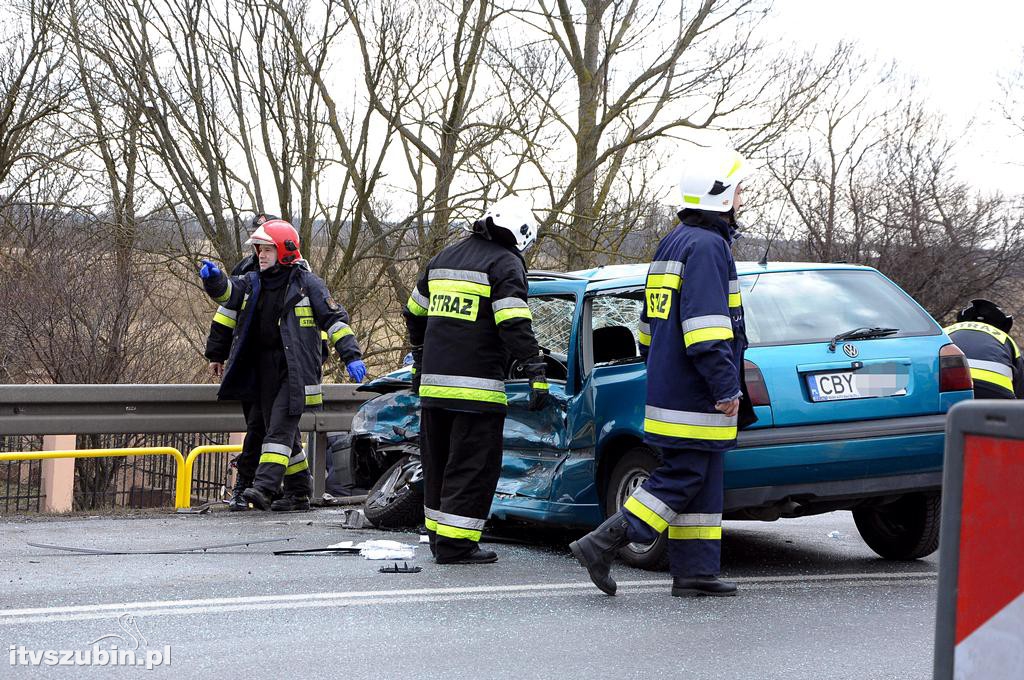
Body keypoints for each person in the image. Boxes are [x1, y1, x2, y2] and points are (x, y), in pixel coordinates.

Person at [570, 149, 753, 597]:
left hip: (671, 385)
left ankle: (695, 572)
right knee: (684, 475)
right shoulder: (709, 247)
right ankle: (603, 541)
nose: (744, 198)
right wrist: (726, 386)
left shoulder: (674, 242)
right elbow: (707, 331)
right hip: (697, 392)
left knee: (703, 477)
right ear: (722, 195)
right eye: (740, 190)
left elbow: (649, 329)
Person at [403, 196, 549, 564]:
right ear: (521, 236)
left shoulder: (444, 257)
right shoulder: (505, 263)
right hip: (477, 389)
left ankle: (439, 538)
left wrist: (420, 357)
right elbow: (513, 322)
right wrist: (534, 367)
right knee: (472, 466)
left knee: (438, 463)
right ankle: (457, 545)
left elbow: (413, 311)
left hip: (434, 387)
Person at [199, 218, 367, 511]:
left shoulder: (308, 285)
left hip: (295, 372)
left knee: (277, 430)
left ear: (284, 251)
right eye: (258, 249)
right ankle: (299, 491)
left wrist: (351, 355)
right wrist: (214, 280)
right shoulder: (253, 280)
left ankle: (263, 488)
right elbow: (229, 294)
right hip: (261, 372)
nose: (260, 255)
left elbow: (335, 321)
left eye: (266, 249)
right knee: (279, 434)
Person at [945, 299, 1024, 399]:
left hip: (949, 383)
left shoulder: (945, 331)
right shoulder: (1004, 338)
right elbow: (1021, 384)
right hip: (994, 391)